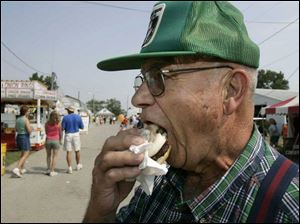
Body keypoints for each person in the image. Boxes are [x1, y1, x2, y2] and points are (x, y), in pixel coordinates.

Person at [84, 2, 299, 223]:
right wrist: (101, 211)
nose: (137, 98)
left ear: (231, 90)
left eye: (159, 75)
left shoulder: (289, 210)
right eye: (144, 78)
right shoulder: (160, 178)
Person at [61, 106, 84, 174]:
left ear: (68, 110)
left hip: (68, 134)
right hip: (76, 134)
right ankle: (78, 165)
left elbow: (62, 128)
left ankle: (69, 168)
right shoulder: (78, 117)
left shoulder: (65, 117)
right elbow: (82, 127)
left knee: (69, 152)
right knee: (77, 150)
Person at [12, 105, 32, 178]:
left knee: (23, 153)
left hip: (19, 136)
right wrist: (31, 129)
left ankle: (21, 169)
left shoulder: (18, 119)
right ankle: (17, 168)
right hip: (24, 137)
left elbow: (16, 129)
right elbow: (29, 131)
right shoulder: (26, 119)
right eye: (29, 111)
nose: (29, 112)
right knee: (26, 153)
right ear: (26, 112)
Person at [45, 111, 62, 177]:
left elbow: (46, 132)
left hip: (48, 140)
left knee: (48, 155)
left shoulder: (47, 123)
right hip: (56, 140)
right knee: (55, 156)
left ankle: (48, 169)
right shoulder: (58, 124)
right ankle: (52, 171)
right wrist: (60, 140)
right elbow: (60, 133)